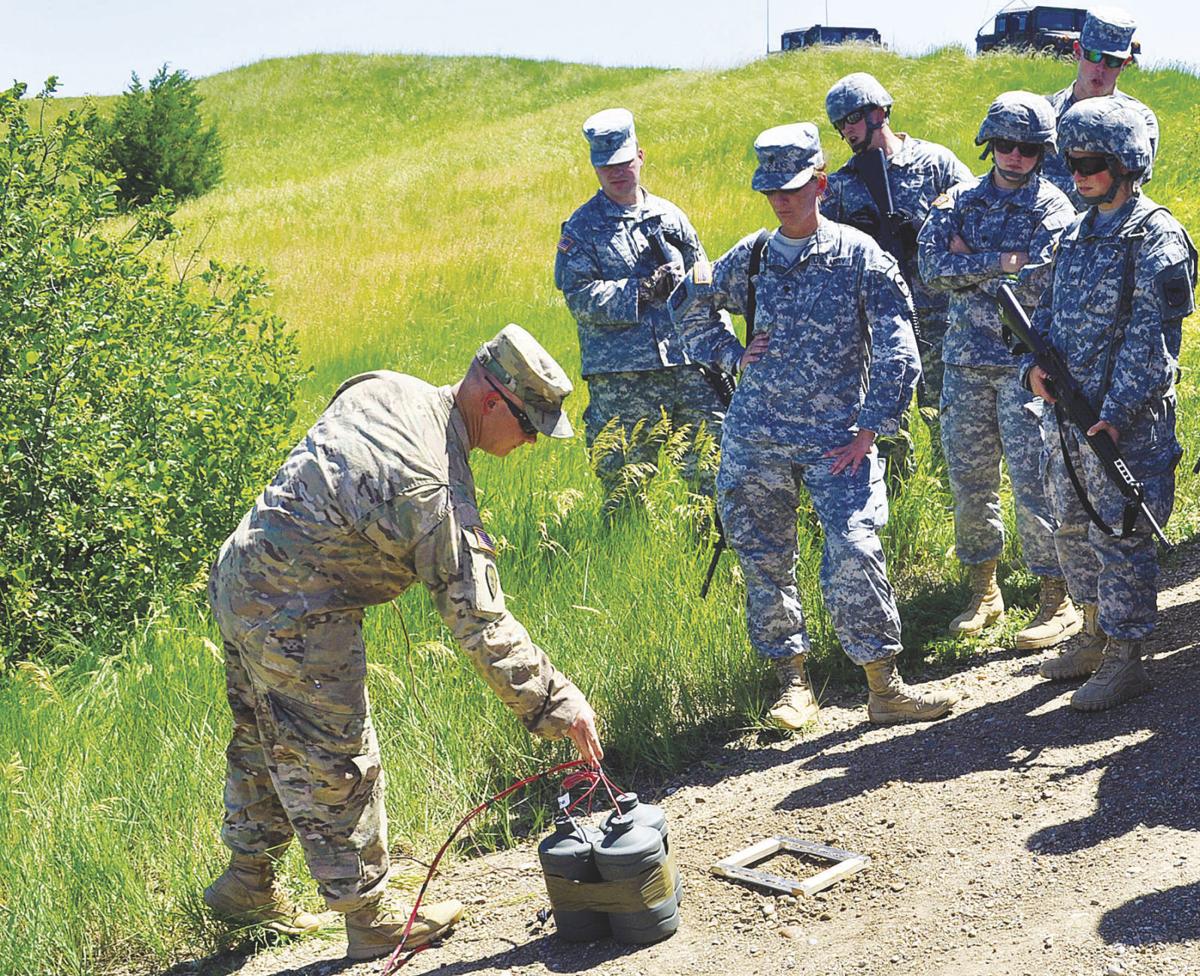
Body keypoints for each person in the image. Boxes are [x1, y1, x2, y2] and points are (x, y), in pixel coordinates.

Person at [204, 325, 604, 958]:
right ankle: (371, 918)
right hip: (299, 611)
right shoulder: (433, 487)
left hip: (240, 575)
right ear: (493, 401)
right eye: (529, 427)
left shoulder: (392, 387)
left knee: (264, 736)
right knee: (338, 758)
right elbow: (479, 621)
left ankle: (246, 887)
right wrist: (557, 701)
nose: (528, 443)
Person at [678, 122, 957, 731]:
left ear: (821, 185)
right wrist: (728, 354)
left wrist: (872, 427)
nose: (781, 200)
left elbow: (899, 348)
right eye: (771, 190)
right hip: (757, 439)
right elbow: (689, 307)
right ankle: (793, 685)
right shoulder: (750, 256)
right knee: (763, 559)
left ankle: (883, 686)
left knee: (856, 550)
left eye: (794, 187)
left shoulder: (859, 256)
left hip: (838, 442)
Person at [1024, 97, 1196, 711]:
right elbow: (1041, 320)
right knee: (1071, 526)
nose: (1078, 173)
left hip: (1125, 425)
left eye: (1091, 161)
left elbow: (1155, 341)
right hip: (1066, 421)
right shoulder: (1073, 234)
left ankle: (1128, 657)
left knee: (1120, 535)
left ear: (1127, 162)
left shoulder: (1156, 237)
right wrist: (1032, 373)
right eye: (1070, 161)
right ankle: (1094, 633)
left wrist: (1116, 413)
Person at [918, 92, 1080, 649]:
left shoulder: (1054, 207)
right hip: (965, 364)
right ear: (989, 144)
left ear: (1042, 151)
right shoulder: (958, 198)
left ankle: (1056, 596)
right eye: (1006, 145)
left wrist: (971, 260)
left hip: (1024, 367)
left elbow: (1038, 279)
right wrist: (999, 261)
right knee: (970, 482)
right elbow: (930, 267)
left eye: (1028, 148)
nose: (1015, 157)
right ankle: (984, 589)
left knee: (1036, 481)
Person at [555, 108, 733, 500]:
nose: (617, 173)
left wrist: (724, 353)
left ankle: (716, 554)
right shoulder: (582, 228)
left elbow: (707, 285)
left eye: (624, 162)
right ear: (595, 169)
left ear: (641, 156)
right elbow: (579, 297)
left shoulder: (671, 217)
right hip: (623, 379)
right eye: (606, 167)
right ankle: (623, 554)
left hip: (687, 369)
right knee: (624, 489)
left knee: (714, 476)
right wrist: (640, 290)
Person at [821, 72, 974, 474]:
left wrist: (929, 236)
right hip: (880, 323)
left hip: (941, 317)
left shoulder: (935, 162)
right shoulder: (841, 185)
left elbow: (976, 216)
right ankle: (896, 510)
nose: (847, 132)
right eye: (841, 126)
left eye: (853, 120)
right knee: (887, 428)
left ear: (878, 112)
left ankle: (949, 505)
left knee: (947, 421)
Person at [1042, 6, 1159, 210]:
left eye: (1113, 61)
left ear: (1126, 63)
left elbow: (1131, 188)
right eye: (1094, 56)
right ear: (1078, 51)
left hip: (1101, 235)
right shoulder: (1044, 112)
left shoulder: (1138, 120)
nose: (1101, 68)